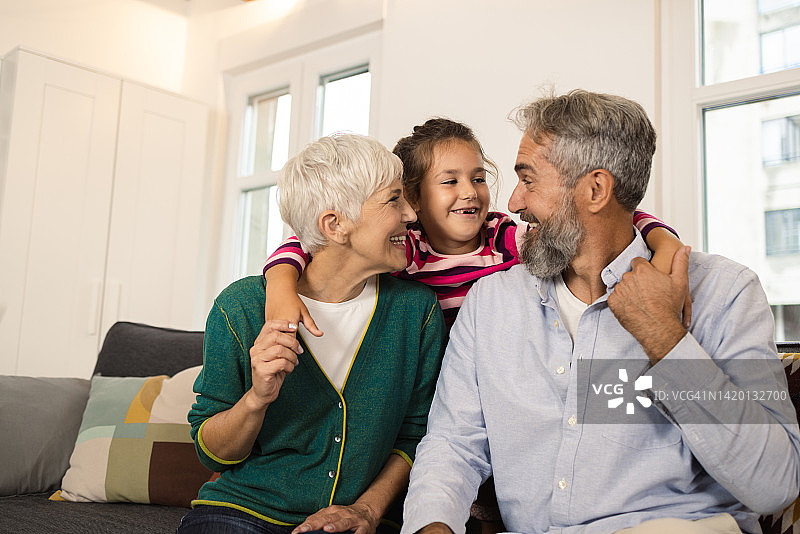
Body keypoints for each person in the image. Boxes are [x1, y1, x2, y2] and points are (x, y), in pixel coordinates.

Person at [400, 90, 800, 534]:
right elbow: (453, 445)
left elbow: (775, 485)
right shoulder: (491, 303)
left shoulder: (724, 293)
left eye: (528, 180)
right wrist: (431, 524)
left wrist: (665, 339)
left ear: (595, 190)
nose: (512, 203)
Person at [179, 134, 448, 534]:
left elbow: (416, 434)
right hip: (242, 514)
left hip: (357, 522)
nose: (411, 214)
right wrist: (257, 399)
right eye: (394, 200)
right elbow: (212, 453)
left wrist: (367, 511)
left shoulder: (416, 312)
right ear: (335, 225)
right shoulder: (240, 307)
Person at [261, 118, 687, 333]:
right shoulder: (403, 248)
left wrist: (662, 241)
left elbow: (598, 219)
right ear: (412, 199)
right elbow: (313, 240)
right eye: (449, 182)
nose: (470, 192)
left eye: (478, 178)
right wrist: (281, 285)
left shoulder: (505, 237)